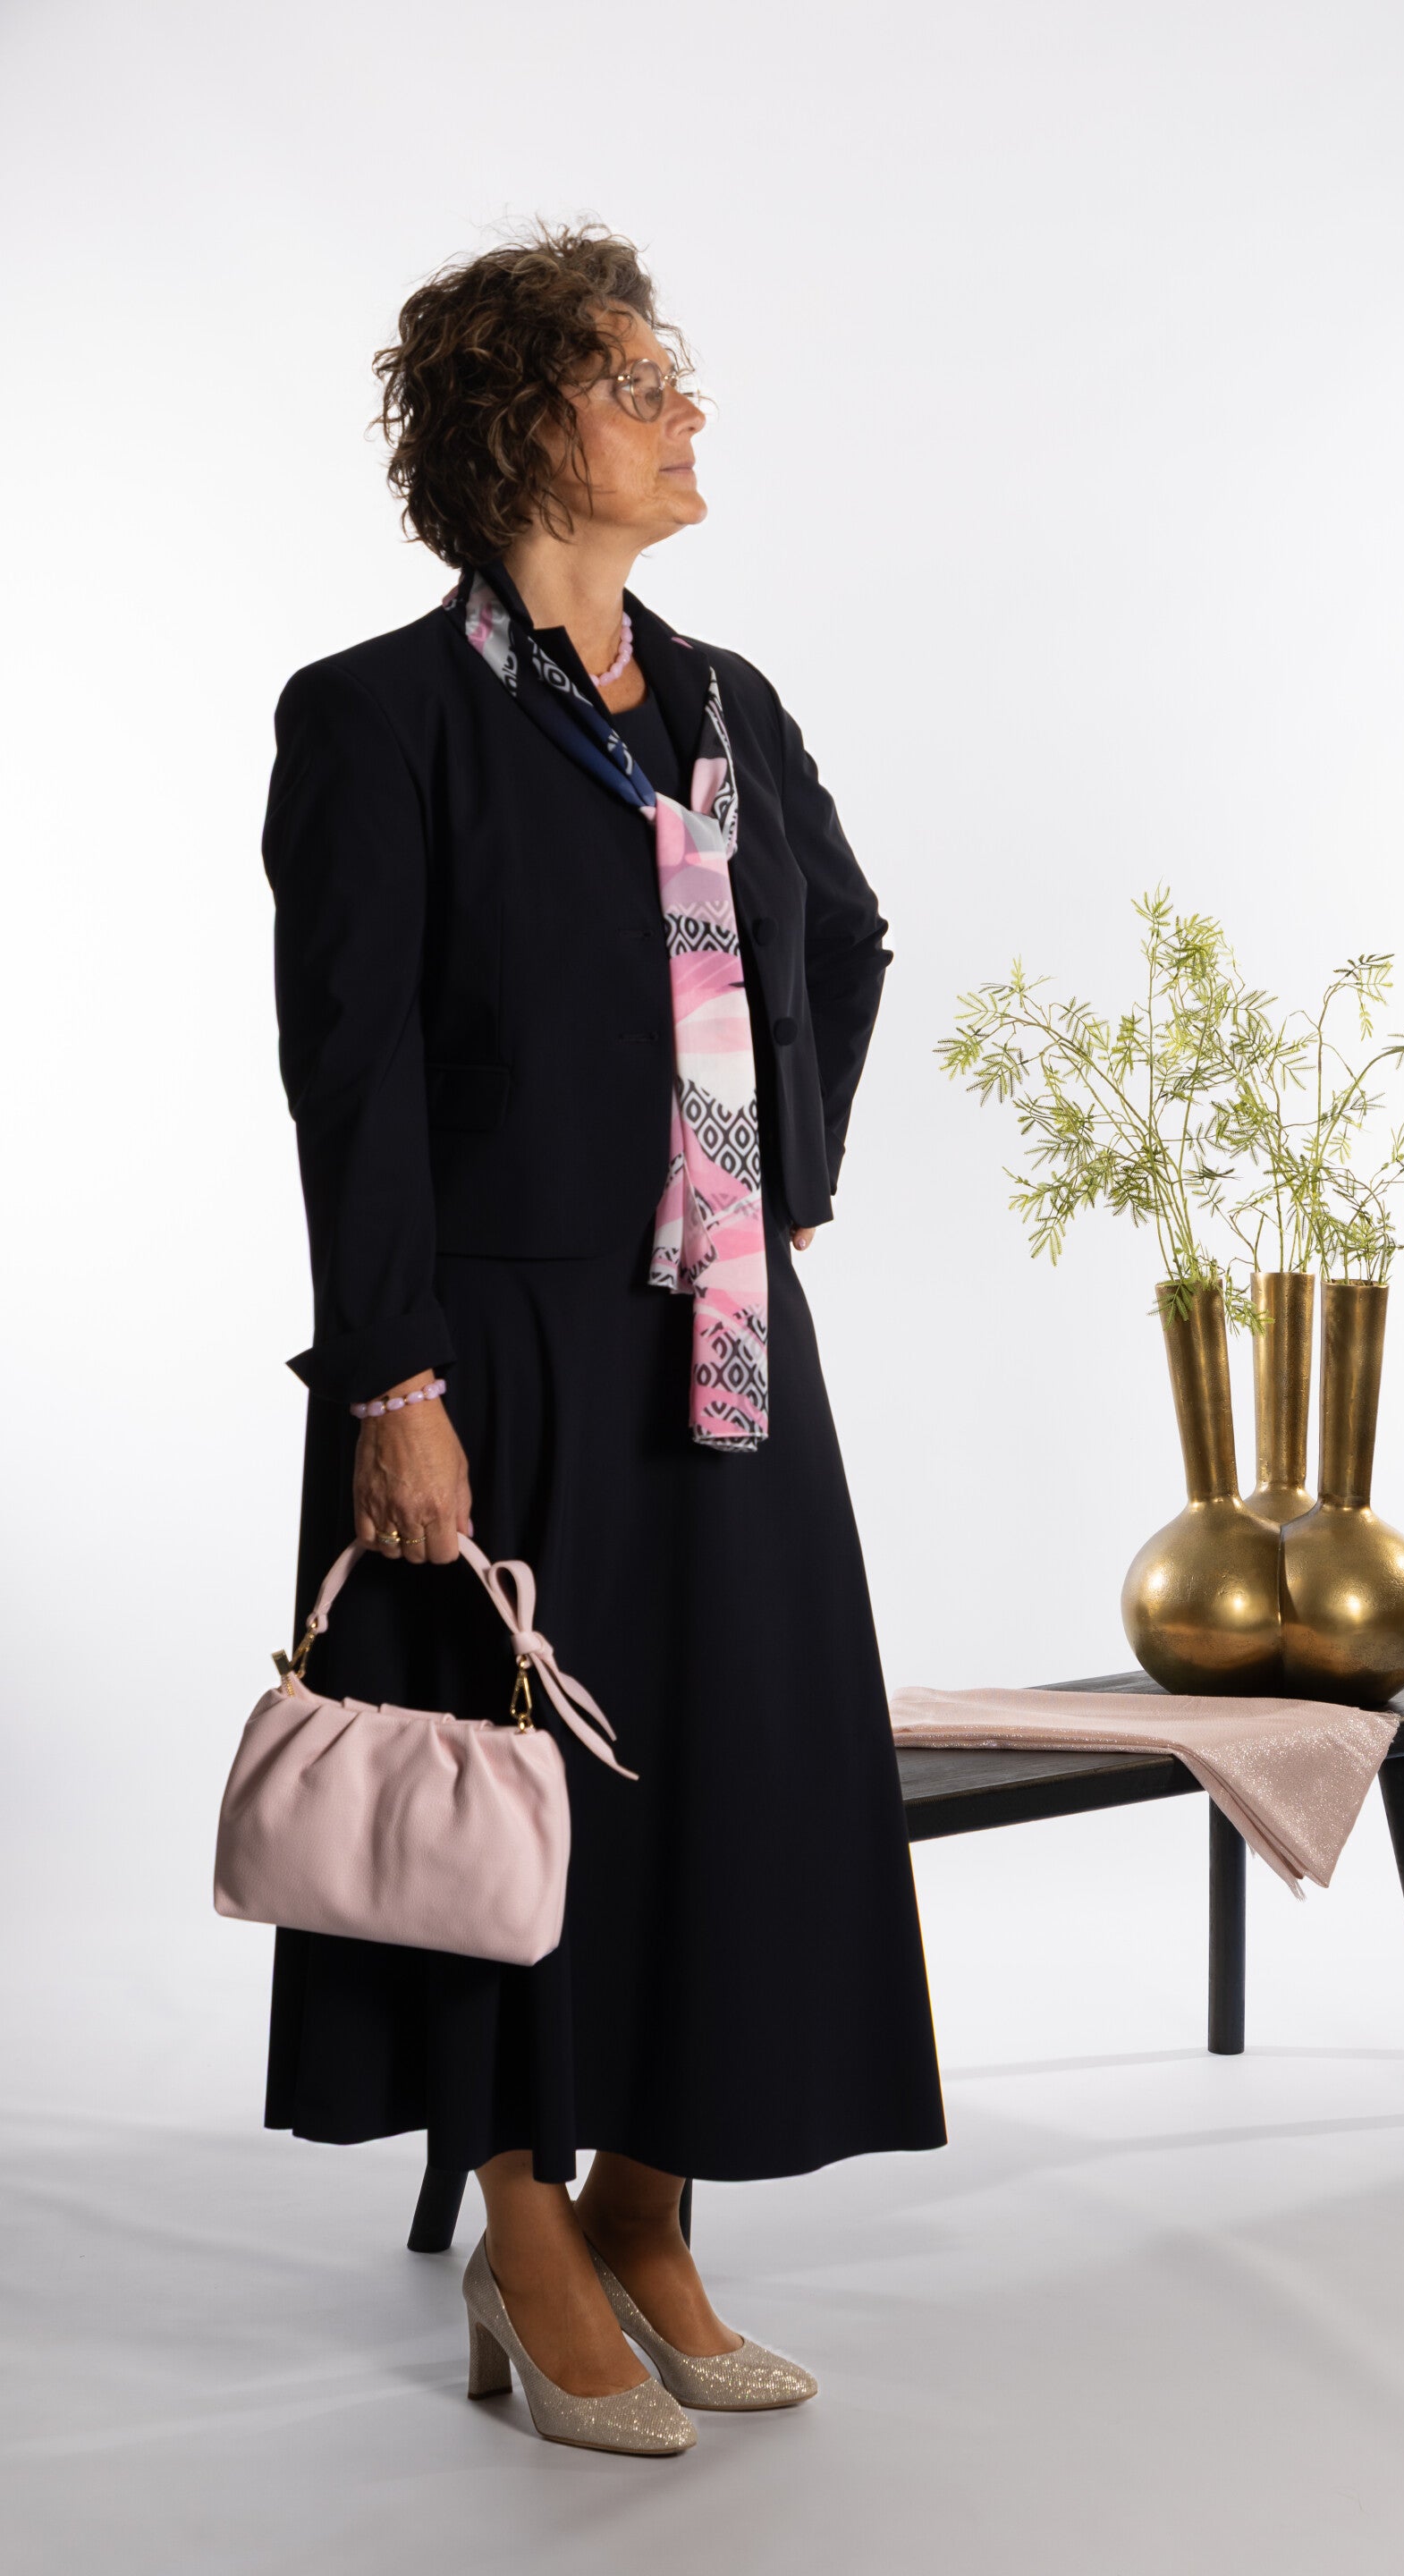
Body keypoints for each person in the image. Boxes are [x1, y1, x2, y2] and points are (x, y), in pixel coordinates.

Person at [260, 224, 944, 2458]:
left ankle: (652, 2212)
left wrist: (777, 1175)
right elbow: (354, 1077)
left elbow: (840, 935)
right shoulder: (378, 718)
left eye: (676, 374)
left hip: (719, 1342)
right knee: (505, 1796)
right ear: (521, 421)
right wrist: (393, 1384)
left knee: (734, 1771)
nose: (686, 409)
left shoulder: (724, 701)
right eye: (640, 378)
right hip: (487, 1346)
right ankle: (522, 2227)